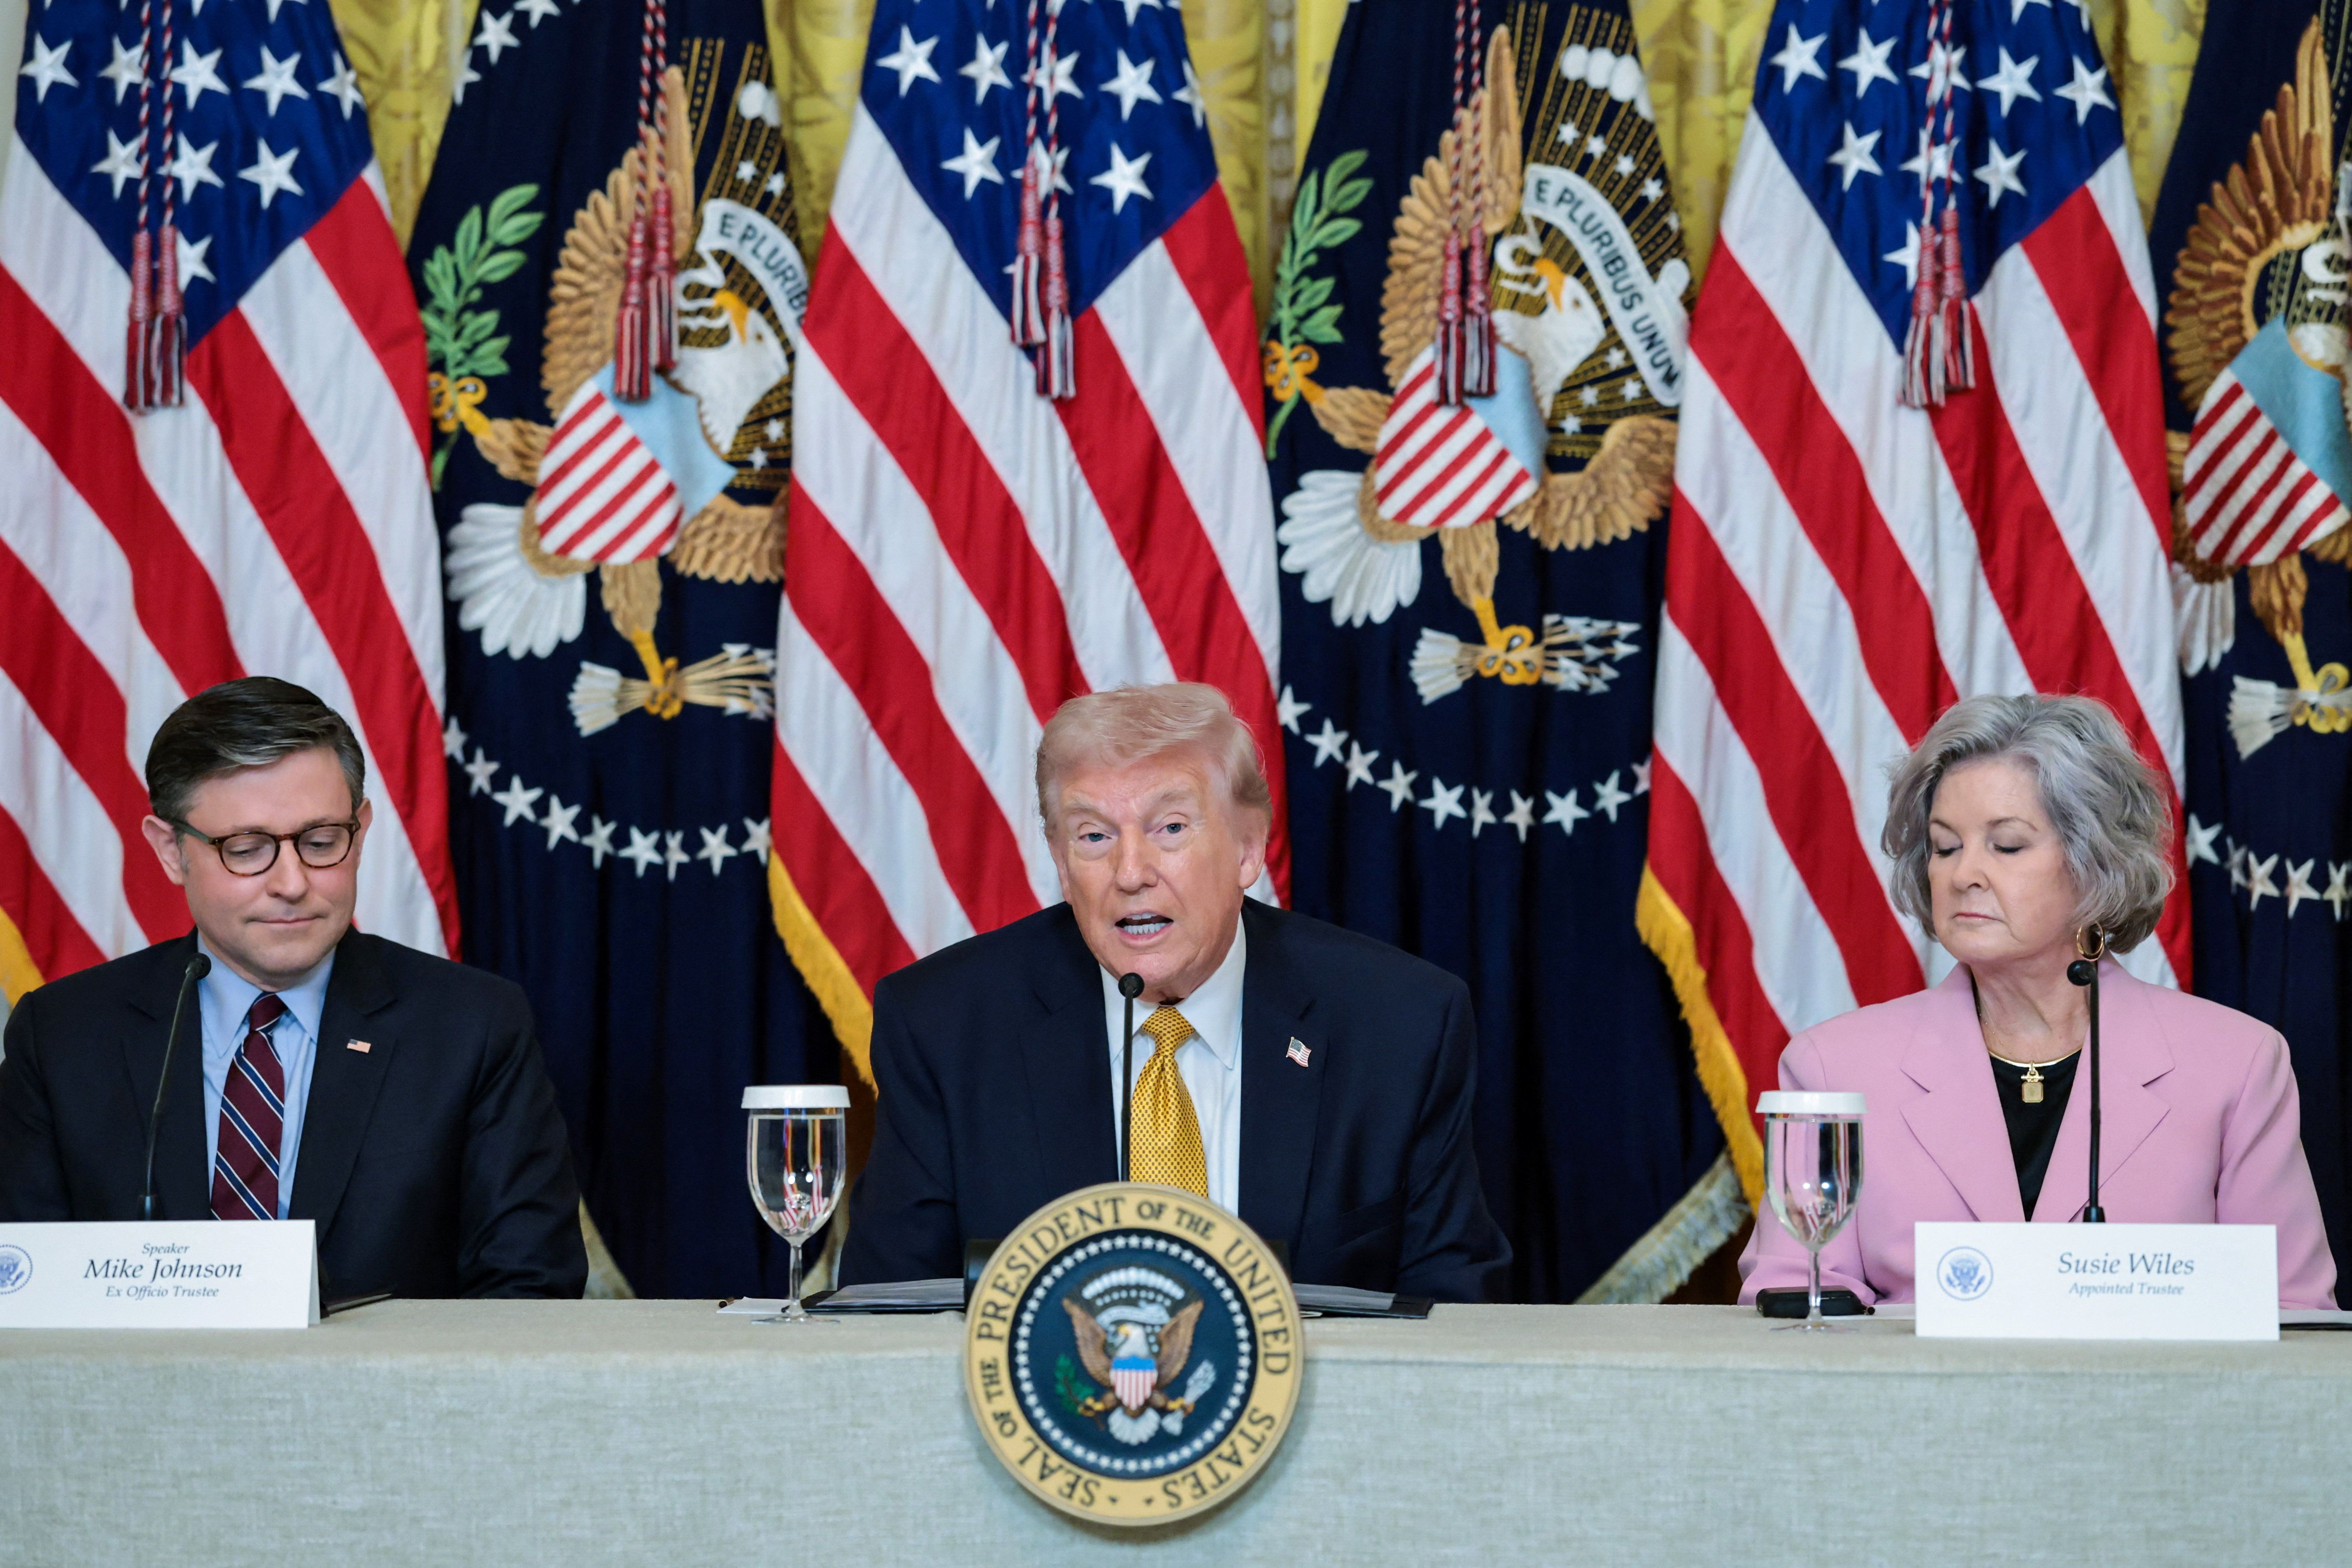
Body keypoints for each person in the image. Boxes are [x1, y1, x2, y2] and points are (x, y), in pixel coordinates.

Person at [840, 683, 1510, 1300]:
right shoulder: (945, 1025)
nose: (1131, 873)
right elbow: (891, 1315)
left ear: (1248, 848)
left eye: (1171, 828)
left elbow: (1454, 1315)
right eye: (1094, 836)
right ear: (1062, 864)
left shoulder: (1399, 1024)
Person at [1739, 693, 2336, 1308]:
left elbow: (2291, 1315)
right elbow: (1795, 1297)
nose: (1963, 873)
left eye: (2007, 846)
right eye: (1945, 847)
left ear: (2094, 863)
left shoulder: (2235, 1064)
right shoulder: (1834, 1067)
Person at [0, 678, 587, 1299]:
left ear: (359, 833)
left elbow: (530, 1290)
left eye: (320, 842)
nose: (292, 883)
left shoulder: (472, 1026)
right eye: (247, 849)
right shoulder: (63, 1035)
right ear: (172, 851)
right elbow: (22, 1286)